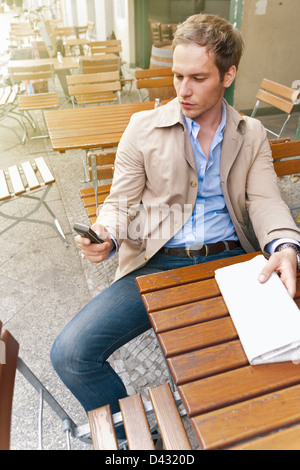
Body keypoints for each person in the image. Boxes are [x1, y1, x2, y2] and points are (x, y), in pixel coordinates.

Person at [51, 13, 300, 430]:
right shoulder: (142, 127)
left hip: (233, 263)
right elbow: (120, 201)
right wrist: (107, 235)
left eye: (198, 78)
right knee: (71, 353)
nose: (183, 90)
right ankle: (141, 437)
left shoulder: (251, 132)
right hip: (157, 263)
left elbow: (265, 202)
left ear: (228, 74)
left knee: (274, 365)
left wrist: (285, 247)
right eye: (177, 75)